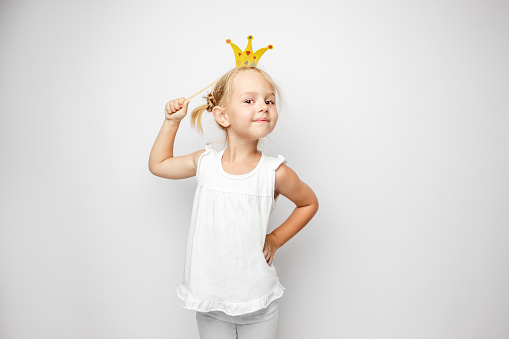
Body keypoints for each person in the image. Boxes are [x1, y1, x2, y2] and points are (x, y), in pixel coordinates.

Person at [148, 66, 319, 339]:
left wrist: (274, 239)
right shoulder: (204, 163)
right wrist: (171, 123)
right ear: (222, 115)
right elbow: (159, 165)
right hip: (210, 300)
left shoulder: (274, 172)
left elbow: (308, 203)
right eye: (250, 100)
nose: (263, 107)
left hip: (258, 303)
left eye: (269, 101)